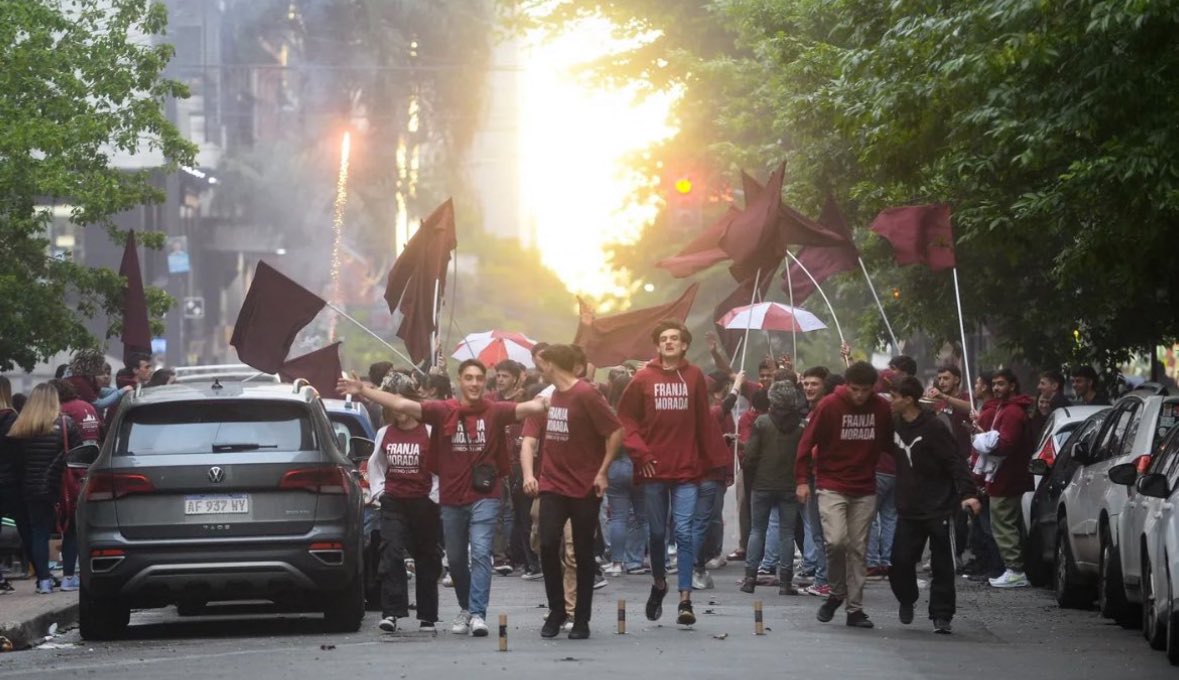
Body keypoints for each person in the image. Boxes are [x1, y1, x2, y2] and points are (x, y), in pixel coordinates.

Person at [338, 359, 549, 637]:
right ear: (460, 382)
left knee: (482, 552)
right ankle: (465, 607)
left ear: (483, 382)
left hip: (485, 495)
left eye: (478, 378)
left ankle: (477, 613)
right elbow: (401, 404)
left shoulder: (496, 411)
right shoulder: (442, 411)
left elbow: (533, 407)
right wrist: (363, 390)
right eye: (468, 377)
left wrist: (555, 390)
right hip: (451, 500)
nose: (474, 383)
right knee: (458, 560)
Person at [615, 320, 728, 627]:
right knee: (656, 533)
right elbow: (625, 419)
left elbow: (704, 421)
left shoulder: (694, 377)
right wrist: (641, 453)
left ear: (684, 344)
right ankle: (659, 582)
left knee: (684, 532)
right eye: (663, 338)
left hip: (687, 470)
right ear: (658, 345)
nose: (668, 342)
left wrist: (718, 462)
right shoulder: (642, 378)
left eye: (674, 338)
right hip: (653, 469)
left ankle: (685, 600)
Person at [521, 345, 622, 640]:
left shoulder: (587, 394)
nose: (540, 366)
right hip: (552, 484)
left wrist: (603, 471)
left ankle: (581, 618)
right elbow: (528, 438)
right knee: (548, 543)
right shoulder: (546, 397)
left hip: (583, 485)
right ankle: (556, 611)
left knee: (582, 550)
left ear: (552, 364)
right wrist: (530, 474)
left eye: (543, 362)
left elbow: (615, 431)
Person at [796, 361, 893, 629]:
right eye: (854, 390)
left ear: (873, 388)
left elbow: (890, 442)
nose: (859, 396)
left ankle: (855, 608)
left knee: (858, 549)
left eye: (865, 390)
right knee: (836, 541)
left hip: (864, 487)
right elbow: (806, 443)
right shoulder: (829, 406)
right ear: (845, 386)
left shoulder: (882, 409)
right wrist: (802, 481)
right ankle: (837, 592)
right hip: (831, 483)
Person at [887, 376, 981, 634]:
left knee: (942, 563)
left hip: (939, 505)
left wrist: (968, 493)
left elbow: (955, 461)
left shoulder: (933, 427)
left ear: (908, 399)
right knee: (899, 560)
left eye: (894, 397)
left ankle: (941, 615)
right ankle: (907, 598)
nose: (890, 401)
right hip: (908, 506)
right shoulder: (892, 424)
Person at [367, 373, 442, 633]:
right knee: (391, 553)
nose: (397, 409)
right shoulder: (384, 433)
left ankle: (428, 616)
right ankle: (392, 612)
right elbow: (375, 465)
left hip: (424, 504)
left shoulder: (430, 432)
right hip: (394, 503)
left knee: (426, 558)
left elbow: (440, 469)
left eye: (402, 402)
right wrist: (379, 493)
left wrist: (434, 497)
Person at [7, 384, 82, 593]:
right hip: (62, 487)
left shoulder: (20, 428)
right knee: (70, 530)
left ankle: (44, 581)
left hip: (31, 488)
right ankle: (68, 577)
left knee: (38, 532)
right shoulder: (66, 424)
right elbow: (78, 455)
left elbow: (16, 463)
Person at [740, 378, 806, 595]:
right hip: (789, 485)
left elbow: (749, 455)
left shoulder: (762, 423)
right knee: (787, 533)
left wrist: (750, 471)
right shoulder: (800, 427)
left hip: (762, 484)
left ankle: (750, 579)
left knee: (757, 530)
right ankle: (785, 583)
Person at [981, 369, 1035, 588]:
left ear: (1012, 385)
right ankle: (1013, 568)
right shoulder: (1008, 409)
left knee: (1003, 524)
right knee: (1007, 523)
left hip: (1006, 477)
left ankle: (1015, 570)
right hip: (1006, 476)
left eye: (1001, 384)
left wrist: (985, 443)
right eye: (994, 384)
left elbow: (1006, 444)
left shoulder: (1012, 412)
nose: (996, 388)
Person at [603, 375, 649, 577]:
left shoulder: (609, 414)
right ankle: (636, 561)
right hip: (638, 465)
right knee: (641, 517)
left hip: (615, 466)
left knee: (618, 517)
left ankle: (616, 562)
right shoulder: (639, 415)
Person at [0, 377, 24, 593]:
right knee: (24, 525)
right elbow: (18, 453)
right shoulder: (12, 419)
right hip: (10, 480)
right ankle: (38, 573)